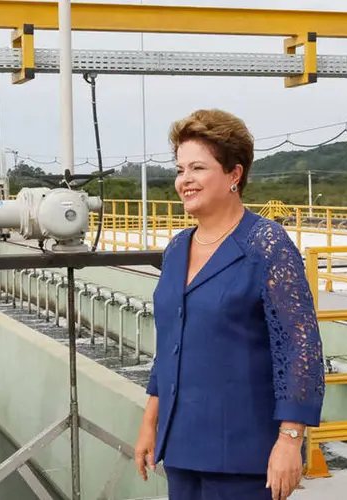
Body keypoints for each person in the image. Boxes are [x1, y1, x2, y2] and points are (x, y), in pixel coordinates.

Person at [134, 109, 326, 500]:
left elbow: (300, 347)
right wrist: (149, 423)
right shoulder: (176, 250)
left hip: (243, 455)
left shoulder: (266, 246)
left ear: (234, 174)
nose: (184, 180)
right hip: (182, 447)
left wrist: (290, 440)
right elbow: (170, 345)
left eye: (198, 168)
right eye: (180, 169)